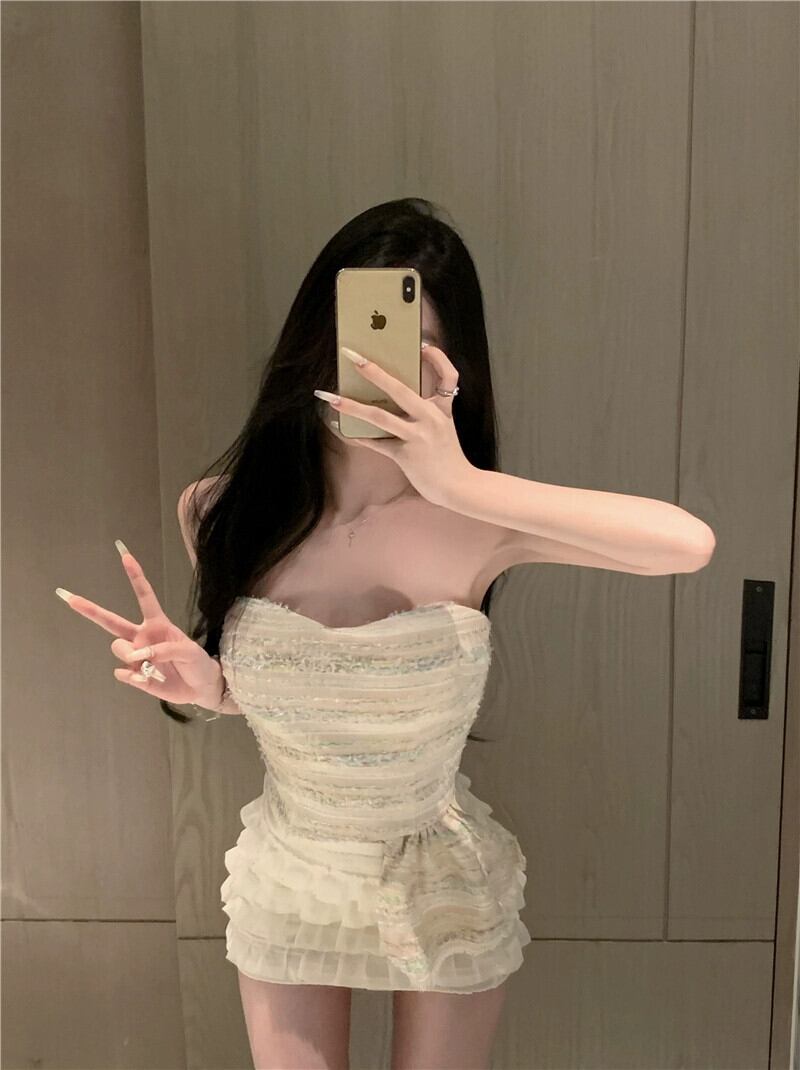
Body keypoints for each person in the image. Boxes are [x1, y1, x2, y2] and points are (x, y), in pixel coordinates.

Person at [56, 197, 715, 1070]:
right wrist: (213, 686)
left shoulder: (480, 520)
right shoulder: (222, 509)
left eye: (404, 344)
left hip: (435, 874)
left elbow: (686, 545)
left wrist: (459, 483)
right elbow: (308, 699)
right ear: (310, 340)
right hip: (294, 866)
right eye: (353, 334)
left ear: (451, 366)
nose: (371, 365)